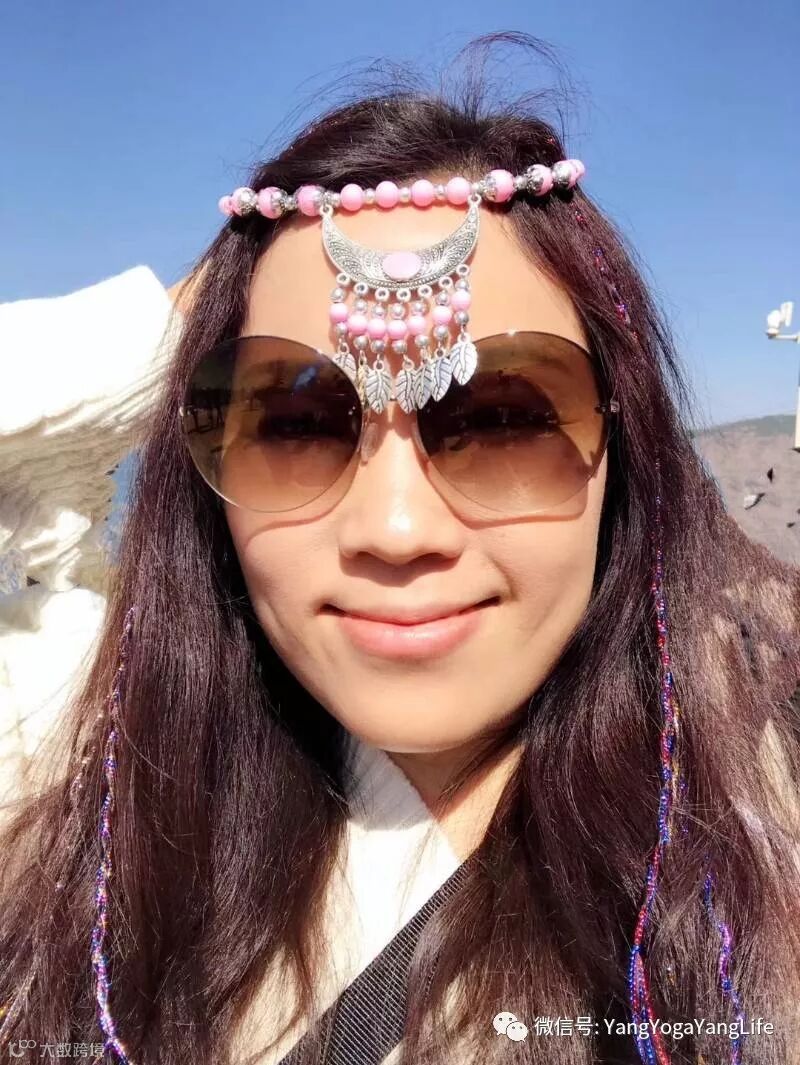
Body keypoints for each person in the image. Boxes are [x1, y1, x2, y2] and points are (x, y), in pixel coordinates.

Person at [2, 52, 800, 1065]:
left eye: (501, 420)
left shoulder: (765, 810)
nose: (394, 527)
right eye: (292, 423)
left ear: (624, 447)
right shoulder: (82, 772)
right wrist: (206, 295)